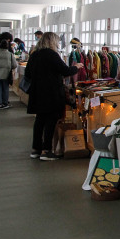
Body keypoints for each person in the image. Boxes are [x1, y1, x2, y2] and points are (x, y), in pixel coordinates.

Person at [25, 32, 82, 161]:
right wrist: (76, 67)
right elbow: (65, 71)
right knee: (51, 121)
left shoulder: (35, 55)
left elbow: (28, 74)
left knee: (39, 121)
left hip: (37, 93)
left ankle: (36, 149)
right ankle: (46, 151)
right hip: (51, 93)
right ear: (52, 42)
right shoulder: (52, 55)